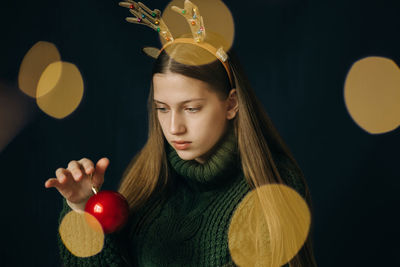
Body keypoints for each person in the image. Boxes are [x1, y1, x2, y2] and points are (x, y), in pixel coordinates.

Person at [45, 2, 318, 267]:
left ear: (231, 104)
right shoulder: (148, 183)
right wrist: (82, 209)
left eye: (191, 108)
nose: (174, 127)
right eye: (162, 109)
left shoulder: (273, 191)